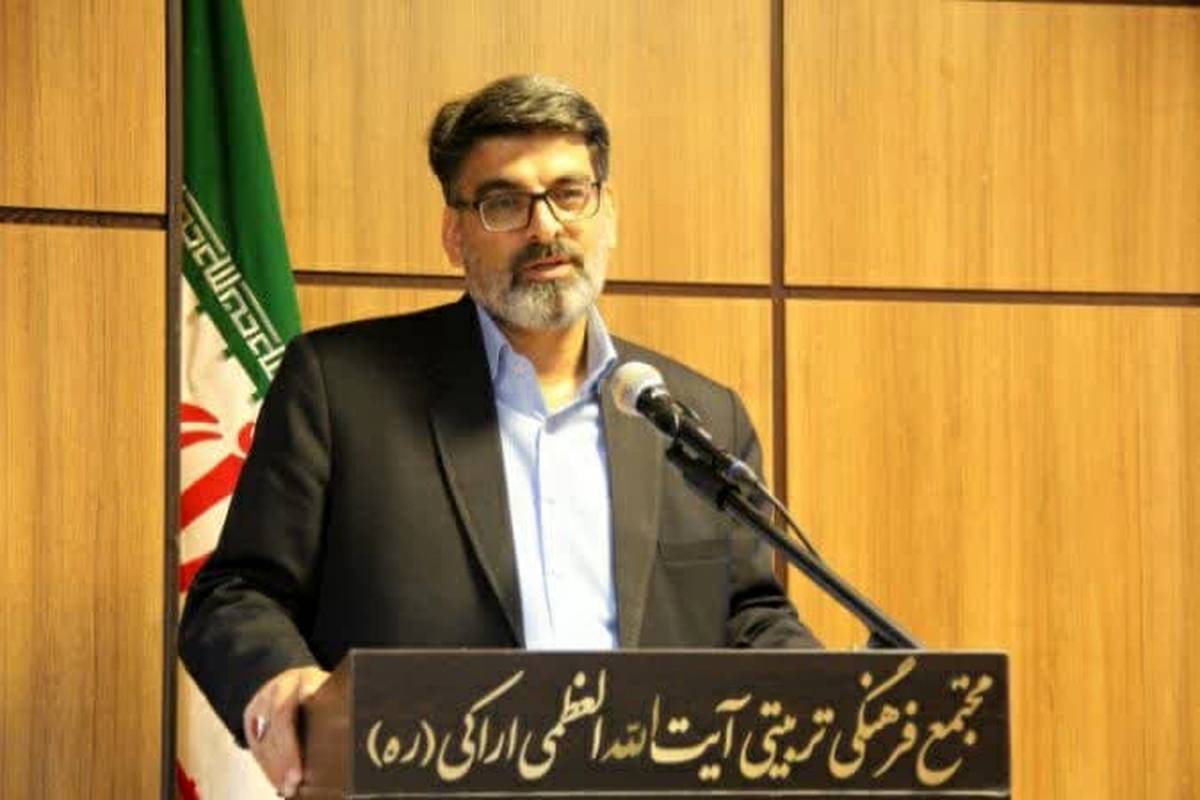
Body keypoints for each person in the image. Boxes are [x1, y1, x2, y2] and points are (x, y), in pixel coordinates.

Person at [179, 74, 820, 797]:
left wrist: (836, 700)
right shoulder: (341, 390)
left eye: (570, 193)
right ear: (454, 234)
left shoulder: (696, 415)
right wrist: (276, 677)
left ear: (607, 212)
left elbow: (750, 615)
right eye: (505, 202)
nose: (545, 228)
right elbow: (236, 594)